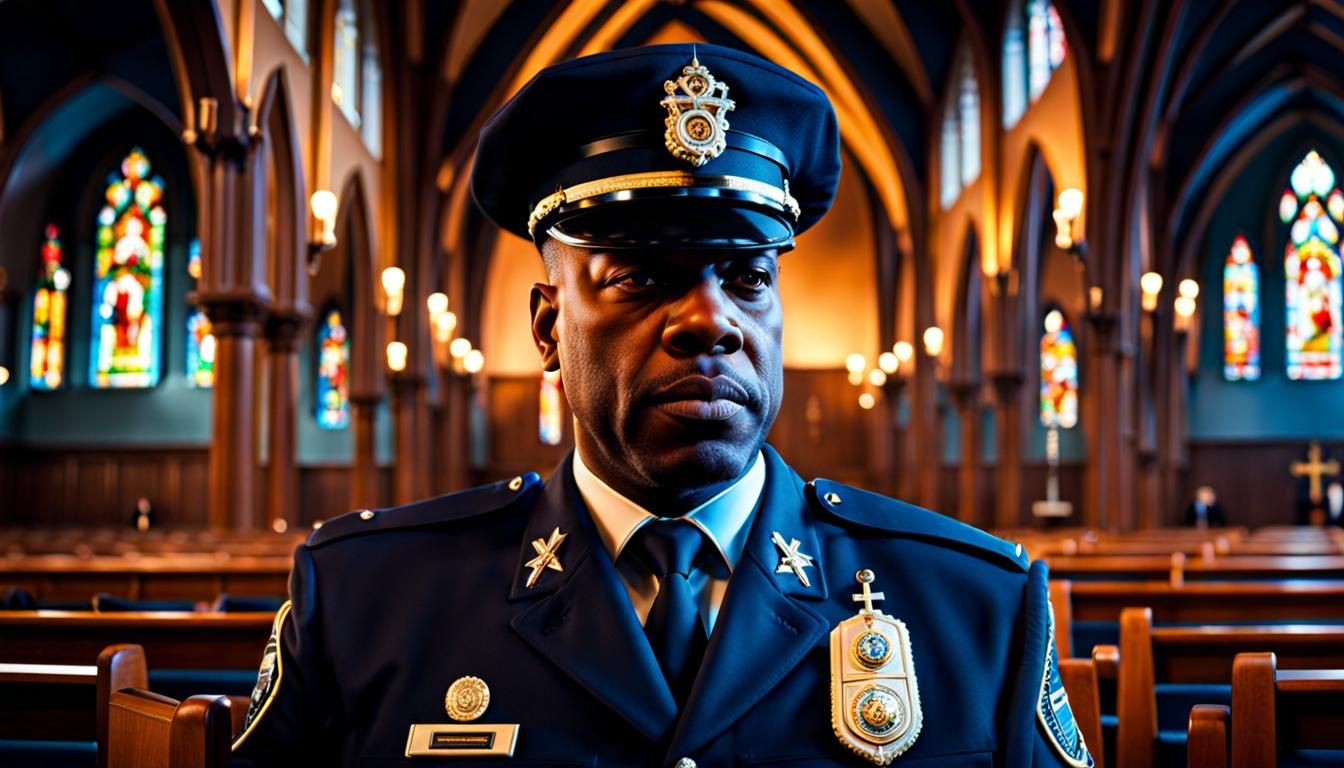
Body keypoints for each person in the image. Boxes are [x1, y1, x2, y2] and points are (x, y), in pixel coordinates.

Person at [232, 44, 1090, 767]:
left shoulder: (977, 606)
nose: (712, 321)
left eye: (749, 277)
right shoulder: (365, 600)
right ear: (546, 330)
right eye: (641, 275)